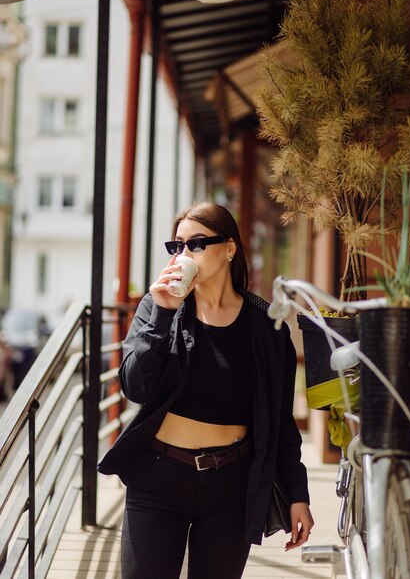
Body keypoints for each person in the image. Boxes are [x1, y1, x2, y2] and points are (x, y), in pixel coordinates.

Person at [98, 202, 314, 579]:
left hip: (231, 485)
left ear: (229, 248)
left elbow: (279, 419)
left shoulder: (266, 326)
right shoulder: (158, 306)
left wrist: (298, 493)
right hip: (158, 480)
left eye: (196, 243)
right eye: (177, 246)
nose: (184, 254)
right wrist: (163, 314)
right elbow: (134, 386)